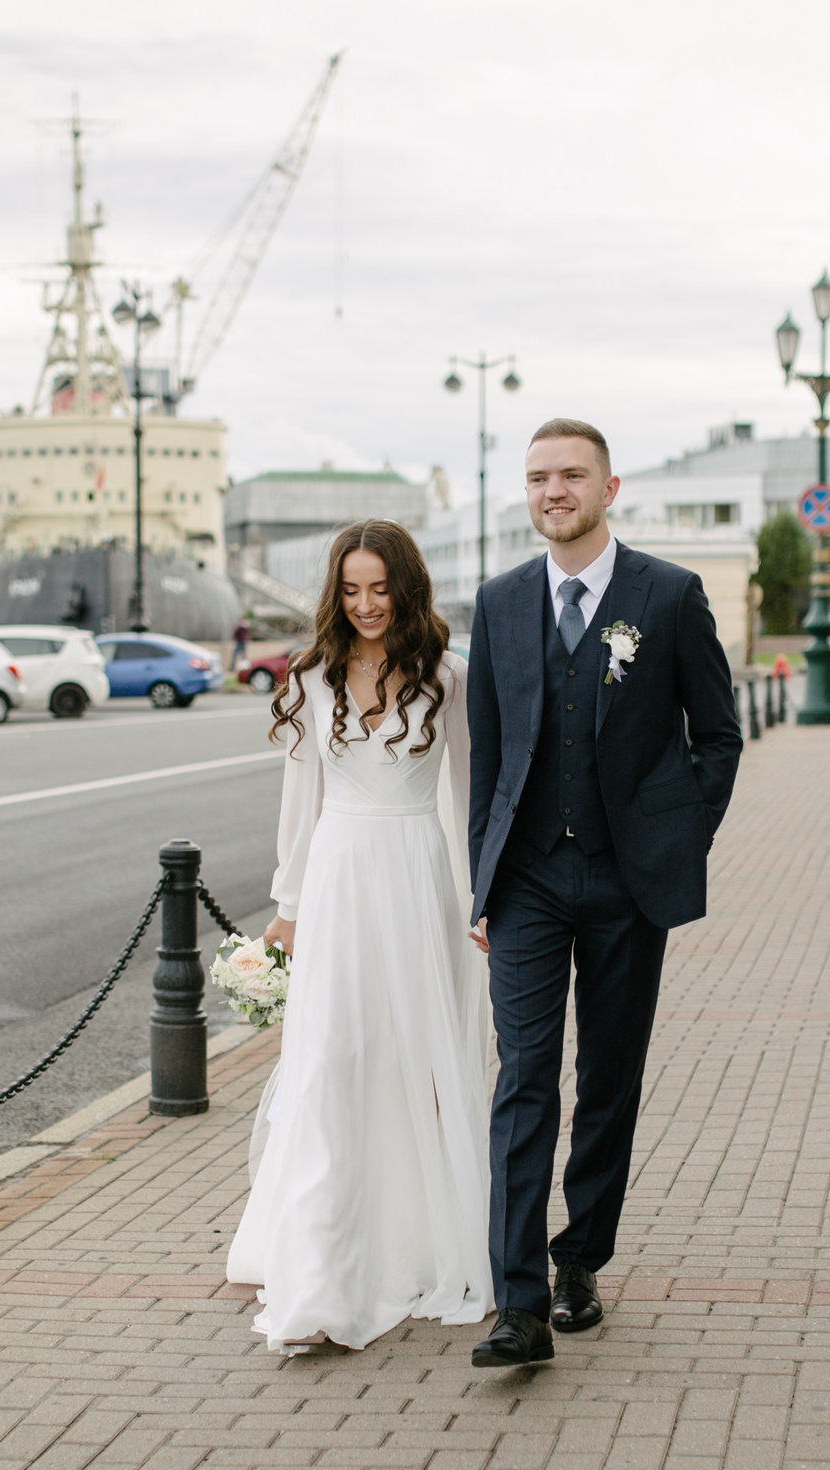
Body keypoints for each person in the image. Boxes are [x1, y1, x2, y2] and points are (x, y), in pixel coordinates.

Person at [464, 419, 744, 1368]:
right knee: (524, 1078)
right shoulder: (499, 602)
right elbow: (490, 758)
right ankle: (519, 1302)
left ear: (609, 486)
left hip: (630, 883)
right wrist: (482, 884)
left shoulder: (667, 595)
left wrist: (675, 840)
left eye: (571, 475)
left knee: (609, 1081)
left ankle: (580, 1258)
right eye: (539, 477)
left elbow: (718, 735)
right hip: (531, 881)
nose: (554, 491)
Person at [226, 520, 492, 1354]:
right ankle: (320, 1271)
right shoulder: (312, 677)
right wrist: (287, 905)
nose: (366, 604)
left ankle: (416, 1241)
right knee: (333, 1059)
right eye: (351, 589)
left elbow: (473, 794)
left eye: (379, 588)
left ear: (406, 588)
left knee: (414, 1057)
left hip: (418, 881)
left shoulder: (449, 677)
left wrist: (485, 896)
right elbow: (298, 804)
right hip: (337, 880)